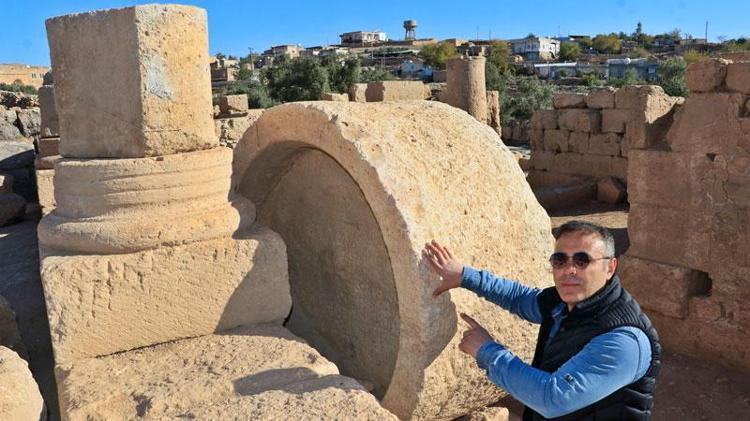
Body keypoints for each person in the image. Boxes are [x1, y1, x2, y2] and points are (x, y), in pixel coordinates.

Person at [422, 220, 660, 420]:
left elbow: (552, 398)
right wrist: (464, 276)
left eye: (582, 260)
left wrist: (487, 351)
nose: (569, 270)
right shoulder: (562, 302)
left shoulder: (624, 340)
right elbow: (520, 298)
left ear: (610, 267)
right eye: (560, 260)